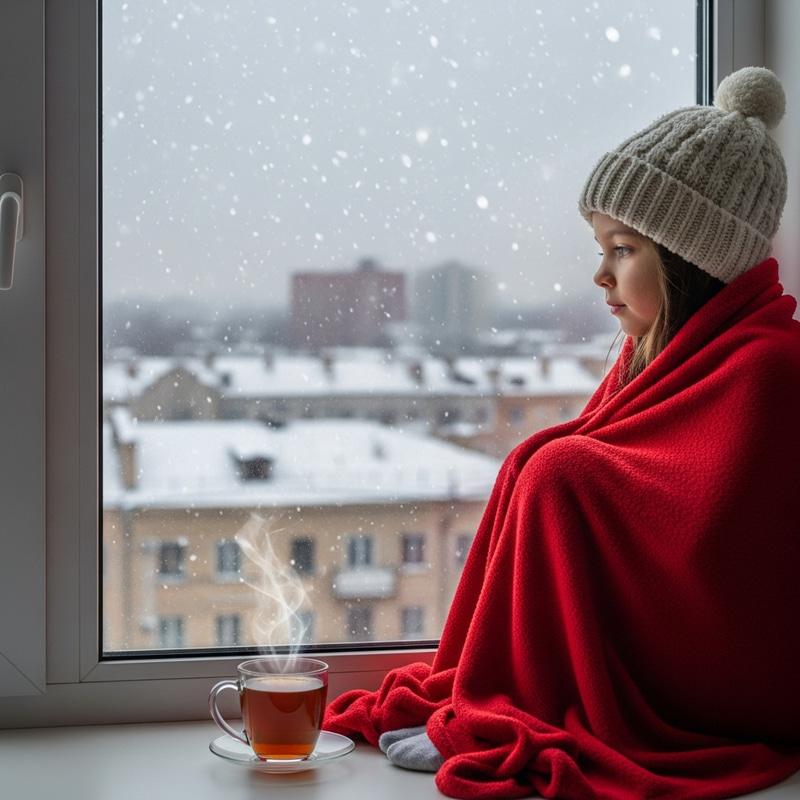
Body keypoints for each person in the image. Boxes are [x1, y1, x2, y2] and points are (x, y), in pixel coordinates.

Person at [323, 66, 800, 800]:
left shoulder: (771, 365)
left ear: (689, 257)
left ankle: (532, 703)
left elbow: (722, 534)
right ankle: (495, 689)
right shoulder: (658, 352)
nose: (601, 276)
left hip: (738, 673)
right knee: (535, 459)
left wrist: (570, 474)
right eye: (603, 248)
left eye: (623, 249)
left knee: (560, 470)